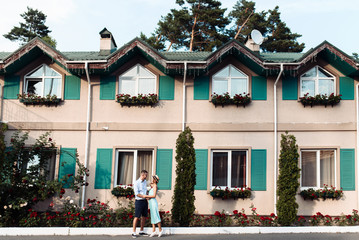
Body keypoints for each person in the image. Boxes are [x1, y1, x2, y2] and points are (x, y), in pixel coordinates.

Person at [132, 170, 148, 238]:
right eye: (146, 175)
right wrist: (144, 196)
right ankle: (133, 232)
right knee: (137, 216)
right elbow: (137, 194)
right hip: (139, 202)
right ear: (142, 175)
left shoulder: (145, 182)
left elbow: (145, 191)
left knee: (144, 216)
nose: (146, 177)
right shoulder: (136, 183)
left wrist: (147, 195)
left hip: (145, 201)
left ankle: (141, 231)